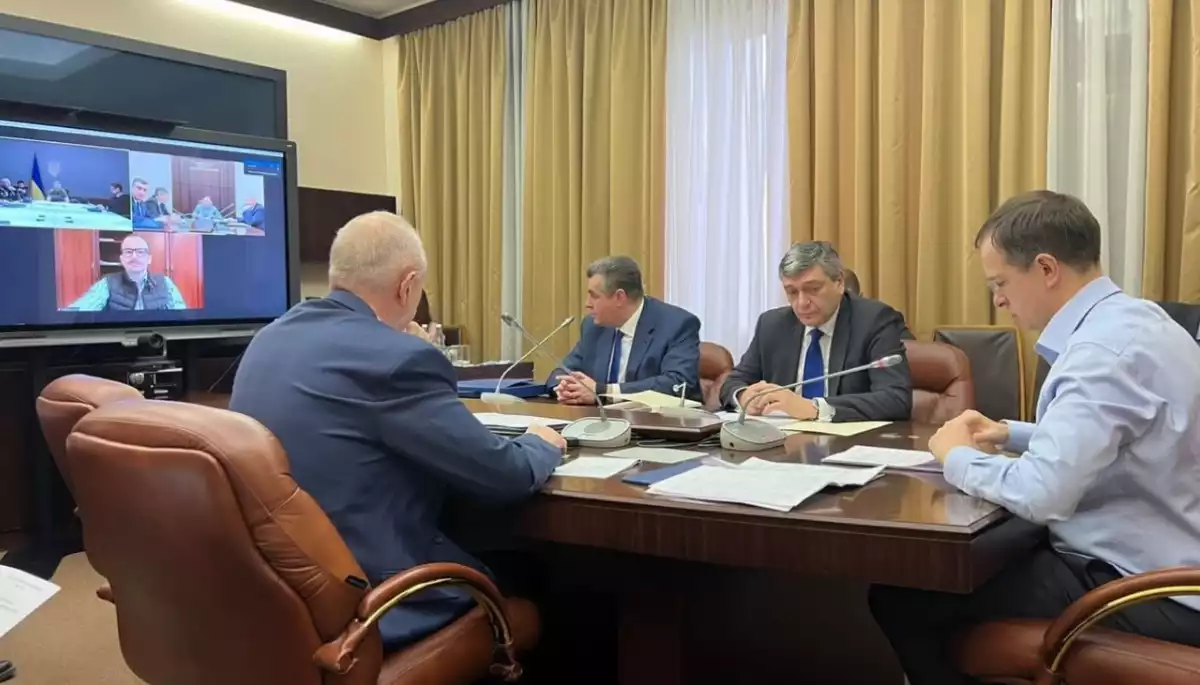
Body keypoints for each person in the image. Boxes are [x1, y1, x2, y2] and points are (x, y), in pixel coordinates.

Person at [869, 191, 1200, 685]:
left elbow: (1043, 493)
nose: (998, 300)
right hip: (1174, 561)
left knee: (904, 596)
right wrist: (1011, 433)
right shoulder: (1142, 321)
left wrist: (954, 455)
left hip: (1147, 587)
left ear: (1046, 268)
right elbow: (1121, 436)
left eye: (1000, 283)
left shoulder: (1100, 354)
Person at [228, 211, 565, 653]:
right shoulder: (397, 358)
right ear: (407, 286)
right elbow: (507, 475)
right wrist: (541, 443)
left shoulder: (269, 338)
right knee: (552, 577)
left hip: (276, 594)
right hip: (371, 598)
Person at [719, 241, 911, 422]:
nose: (802, 303)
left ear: (839, 283)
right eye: (792, 292)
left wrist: (815, 408)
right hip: (782, 438)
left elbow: (895, 398)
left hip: (845, 440)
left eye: (813, 289)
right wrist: (743, 396)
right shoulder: (772, 325)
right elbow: (734, 381)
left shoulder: (874, 321)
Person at [547, 255, 701, 404]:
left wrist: (603, 392)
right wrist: (565, 388)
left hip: (656, 419)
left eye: (594, 296)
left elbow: (678, 384)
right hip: (598, 418)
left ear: (619, 297)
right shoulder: (593, 326)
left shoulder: (677, 325)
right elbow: (562, 372)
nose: (587, 304)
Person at [67, 235, 187, 311]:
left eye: (140, 252)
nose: (134, 257)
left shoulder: (165, 282)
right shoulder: (107, 284)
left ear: (149, 259)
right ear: (122, 259)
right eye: (128, 252)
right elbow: (78, 312)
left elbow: (182, 317)